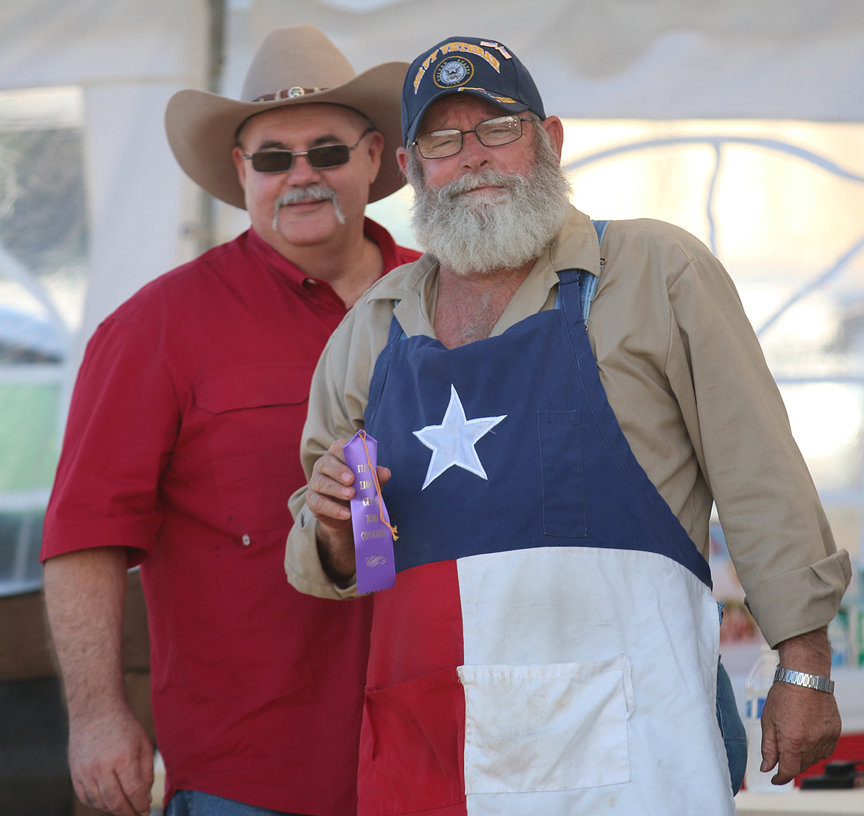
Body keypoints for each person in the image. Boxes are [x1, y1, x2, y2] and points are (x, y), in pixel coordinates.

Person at [283, 35, 852, 815]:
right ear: (413, 169)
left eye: (498, 128)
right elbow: (345, 560)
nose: (473, 157)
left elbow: (760, 477)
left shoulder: (654, 270)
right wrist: (335, 530)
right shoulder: (369, 330)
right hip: (441, 755)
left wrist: (805, 664)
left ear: (548, 139)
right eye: (443, 141)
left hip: (636, 754)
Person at [41, 25, 419, 816]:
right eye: (274, 159)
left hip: (444, 747)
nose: (301, 176)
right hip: (254, 769)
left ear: (374, 156)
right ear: (242, 171)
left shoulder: (452, 303)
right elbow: (84, 535)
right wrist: (97, 715)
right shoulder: (155, 328)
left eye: (327, 152)